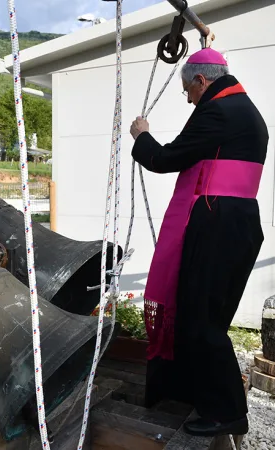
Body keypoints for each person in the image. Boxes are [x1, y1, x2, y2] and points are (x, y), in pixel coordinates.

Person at [129, 47, 269, 437]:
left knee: (201, 320)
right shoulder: (245, 109)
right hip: (235, 222)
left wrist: (142, 136)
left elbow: (163, 158)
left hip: (217, 224)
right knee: (208, 316)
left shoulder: (218, 111)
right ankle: (204, 395)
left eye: (188, 89)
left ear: (202, 81)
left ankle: (226, 412)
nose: (187, 97)